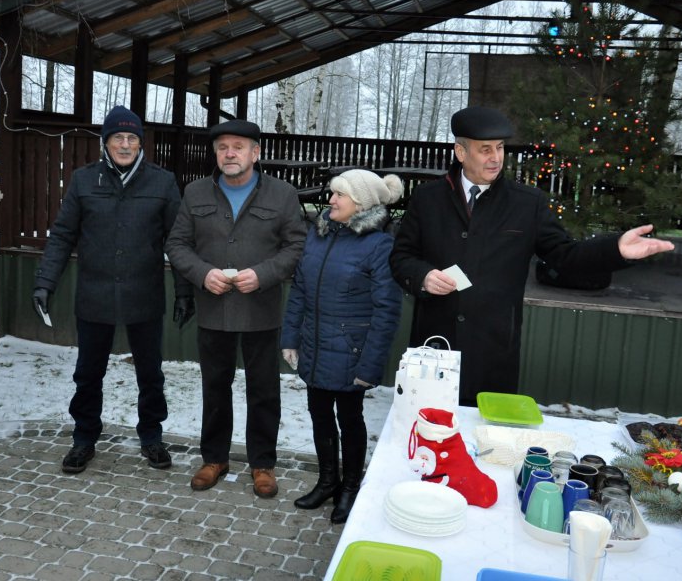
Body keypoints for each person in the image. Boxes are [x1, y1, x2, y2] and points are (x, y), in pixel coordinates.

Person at [389, 106, 675, 406]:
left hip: (492, 354)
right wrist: (422, 276)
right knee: (424, 441)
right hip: (433, 348)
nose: (496, 157)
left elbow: (566, 256)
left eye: (500, 148)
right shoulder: (427, 198)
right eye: (485, 149)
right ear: (460, 152)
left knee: (485, 443)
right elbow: (401, 257)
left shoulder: (527, 204)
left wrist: (615, 250)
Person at [32, 106, 188, 474]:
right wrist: (43, 282)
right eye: (118, 137)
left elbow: (178, 241)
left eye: (132, 137)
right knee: (88, 373)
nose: (125, 143)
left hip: (144, 295)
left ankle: (151, 435)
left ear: (140, 143)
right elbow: (62, 236)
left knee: (150, 374)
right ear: (105, 142)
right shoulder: (84, 181)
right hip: (95, 295)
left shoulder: (162, 183)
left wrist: (185, 292)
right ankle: (84, 438)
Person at [165, 119, 306, 499]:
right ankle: (214, 458)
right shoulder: (195, 193)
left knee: (263, 390)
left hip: (260, 308)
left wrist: (262, 275)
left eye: (238, 147)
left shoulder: (282, 194)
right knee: (214, 387)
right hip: (213, 308)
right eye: (223, 147)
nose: (230, 153)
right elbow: (177, 244)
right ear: (216, 153)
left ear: (255, 153)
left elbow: (296, 247)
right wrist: (201, 273)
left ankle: (263, 464)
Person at [281, 170, 404, 523]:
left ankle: (350, 486)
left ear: (362, 203)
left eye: (339, 195)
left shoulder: (379, 245)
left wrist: (370, 366)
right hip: (315, 346)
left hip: (351, 352)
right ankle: (327, 481)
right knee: (319, 414)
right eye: (332, 193)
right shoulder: (318, 235)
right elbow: (300, 291)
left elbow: (387, 310)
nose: (331, 200)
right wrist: (291, 337)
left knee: (349, 419)